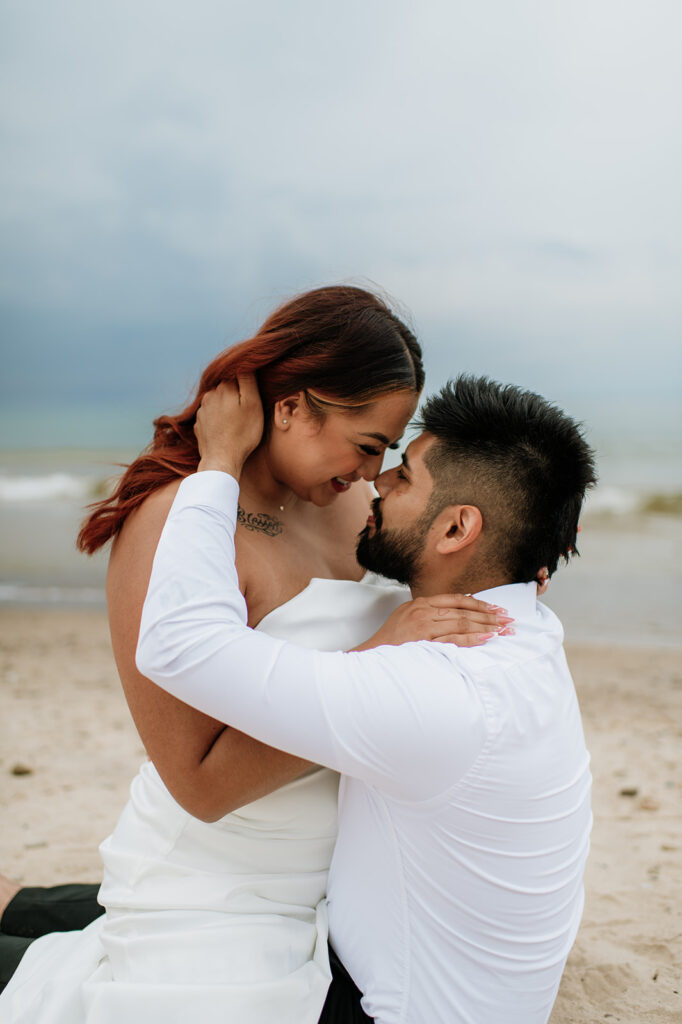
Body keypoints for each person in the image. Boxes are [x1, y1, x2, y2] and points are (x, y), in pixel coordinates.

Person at [0, 288, 505, 1022]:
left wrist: (522, 559)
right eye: (366, 445)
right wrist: (374, 664)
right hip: (217, 874)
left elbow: (448, 566)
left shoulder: (344, 507)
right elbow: (197, 786)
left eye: (386, 454)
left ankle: (22, 903)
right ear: (293, 406)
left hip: (327, 876)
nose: (371, 474)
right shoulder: (174, 524)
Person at [126, 373, 595, 1023]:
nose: (379, 482)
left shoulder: (435, 692)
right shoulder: (529, 631)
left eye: (405, 477)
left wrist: (220, 463)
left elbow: (178, 646)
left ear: (458, 528)